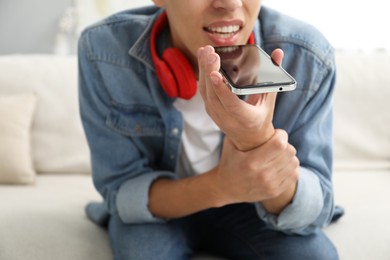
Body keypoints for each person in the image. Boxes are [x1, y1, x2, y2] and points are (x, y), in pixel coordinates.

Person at [78, 0, 339, 259]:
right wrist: (222, 187)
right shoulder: (102, 49)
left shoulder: (309, 56)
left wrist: (255, 140)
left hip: (253, 211)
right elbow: (121, 192)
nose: (230, 3)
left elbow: (315, 210)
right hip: (165, 206)